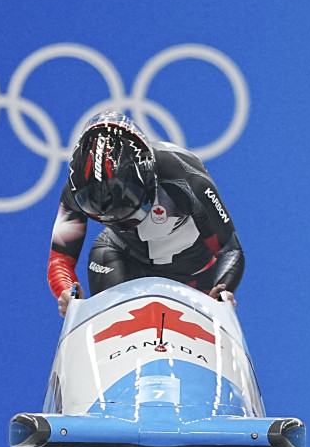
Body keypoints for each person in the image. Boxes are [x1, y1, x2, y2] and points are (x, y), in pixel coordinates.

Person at [47, 111, 245, 317]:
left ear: (148, 177)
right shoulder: (76, 189)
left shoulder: (187, 180)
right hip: (121, 254)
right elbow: (61, 258)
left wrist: (222, 291)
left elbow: (230, 251)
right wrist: (66, 292)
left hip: (192, 267)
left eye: (126, 209)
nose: (121, 222)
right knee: (103, 263)